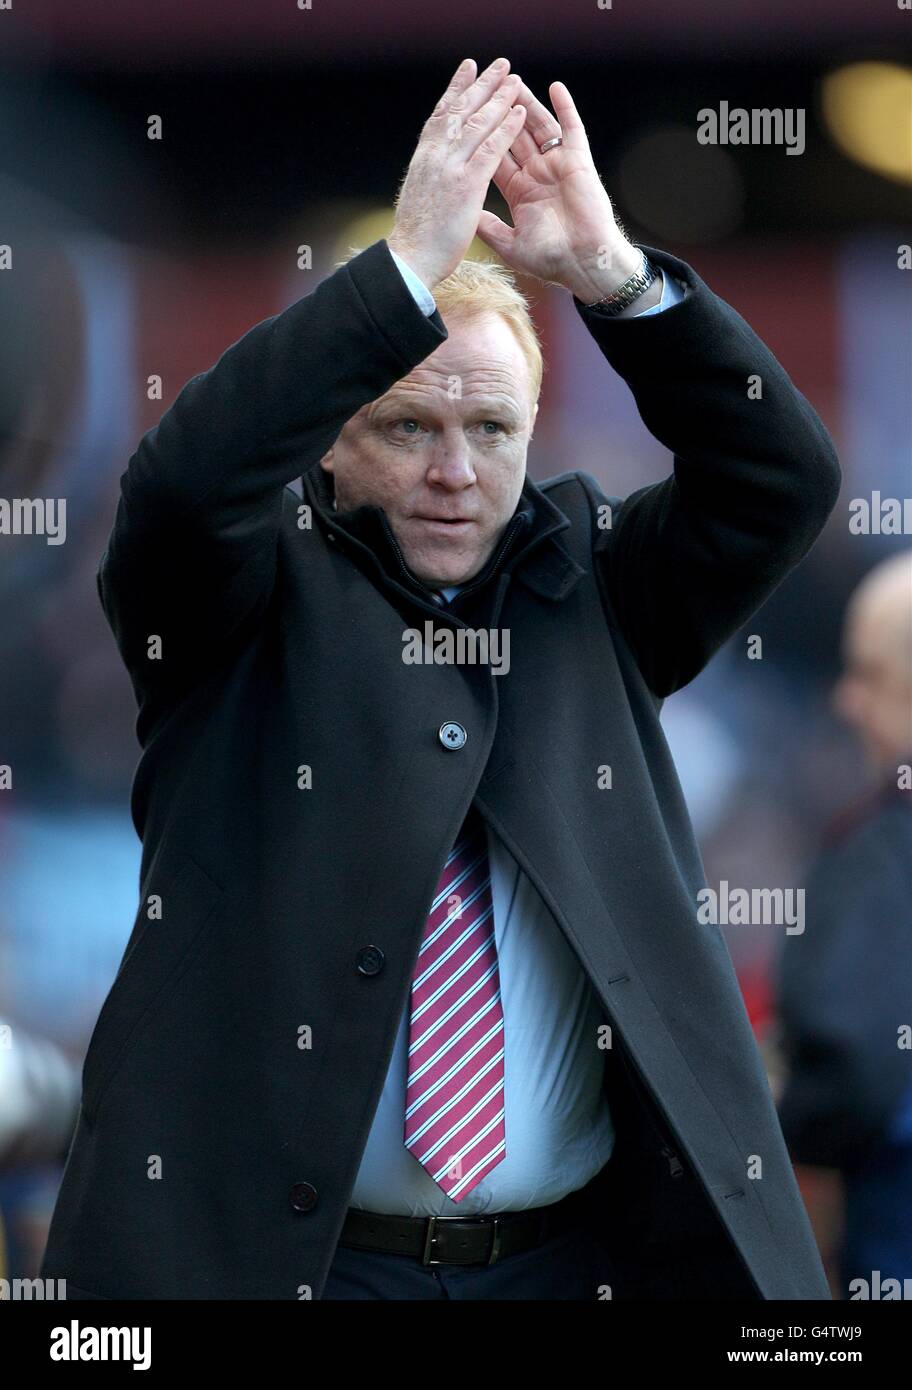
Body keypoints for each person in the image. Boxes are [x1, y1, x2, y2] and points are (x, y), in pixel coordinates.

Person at [41, 57, 840, 1301]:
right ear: (333, 439)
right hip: (304, 1271)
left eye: (492, 430)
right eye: (408, 426)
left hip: (571, 1266)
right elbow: (183, 491)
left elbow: (779, 479)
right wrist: (398, 274)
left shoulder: (600, 581)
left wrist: (619, 284)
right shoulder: (243, 597)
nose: (456, 471)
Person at [776, 551, 912, 1294]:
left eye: (868, 674)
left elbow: (854, 1062)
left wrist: (784, 1115)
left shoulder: (882, 848)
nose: (846, 701)